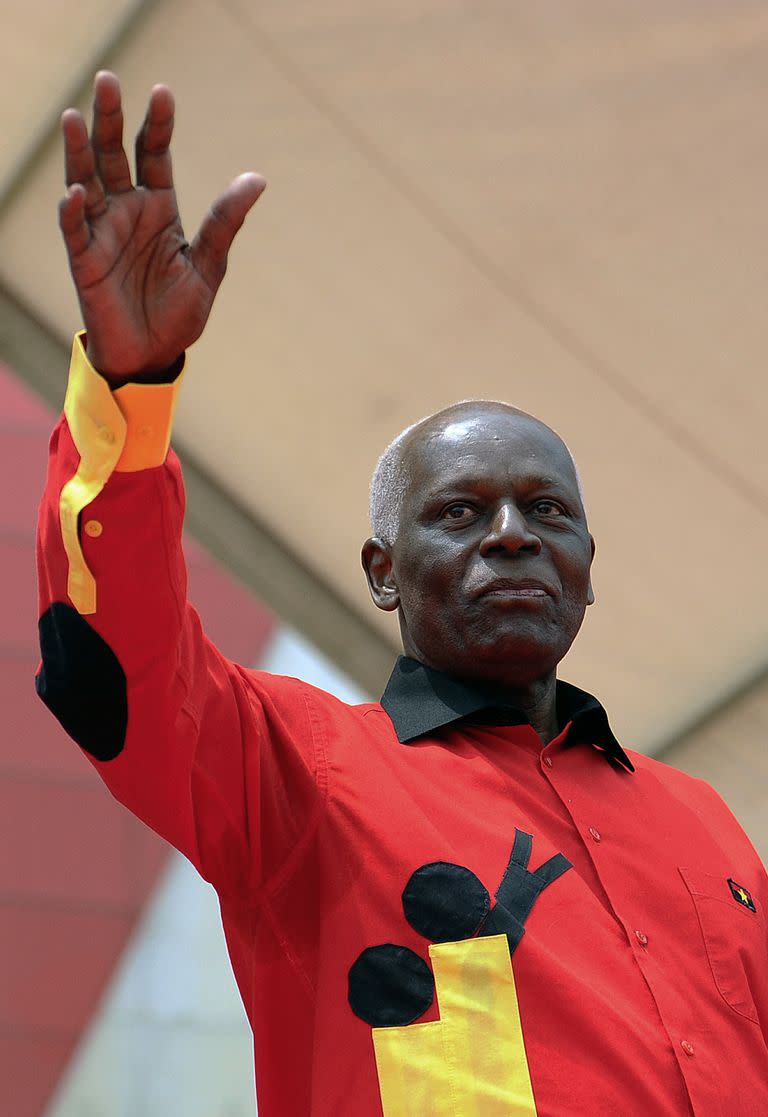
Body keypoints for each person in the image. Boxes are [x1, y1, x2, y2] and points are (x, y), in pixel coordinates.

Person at [36, 72, 768, 1117]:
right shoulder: (300, 773)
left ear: (589, 566)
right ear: (383, 571)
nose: (512, 535)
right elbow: (119, 661)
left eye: (546, 513)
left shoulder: (703, 822)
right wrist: (128, 389)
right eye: (461, 514)